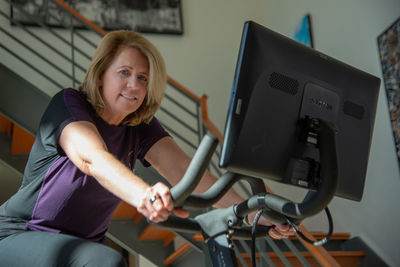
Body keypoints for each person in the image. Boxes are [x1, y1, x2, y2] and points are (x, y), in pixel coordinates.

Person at [0, 30, 293, 266]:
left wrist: (256, 213)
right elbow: (93, 160)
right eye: (124, 72)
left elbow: (186, 173)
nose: (134, 85)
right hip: (21, 233)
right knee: (105, 261)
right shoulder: (68, 104)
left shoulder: (140, 127)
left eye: (142, 78)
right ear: (101, 74)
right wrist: (144, 194)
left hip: (83, 246)